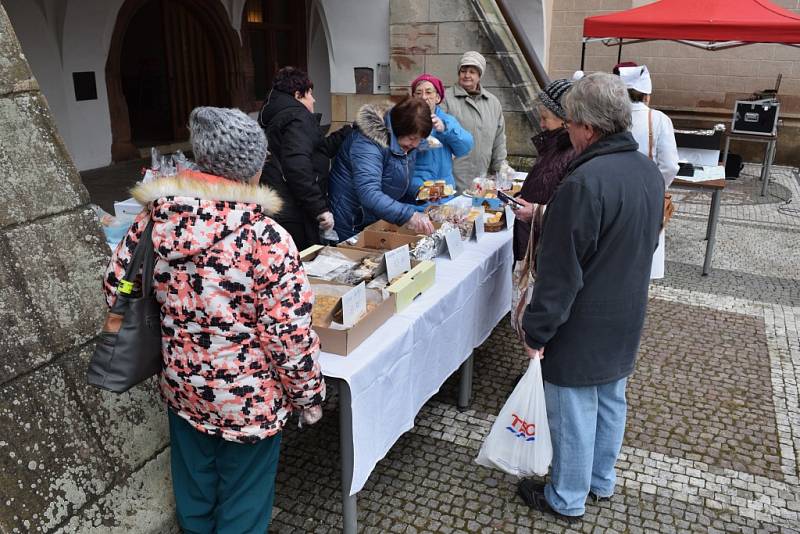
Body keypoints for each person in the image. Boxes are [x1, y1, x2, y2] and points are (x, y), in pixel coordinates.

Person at [102, 107, 325, 533]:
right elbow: (288, 336)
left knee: (195, 493)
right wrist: (308, 397)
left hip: (182, 387)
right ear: (253, 167)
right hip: (249, 403)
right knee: (244, 501)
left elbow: (116, 290)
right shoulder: (265, 238)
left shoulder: (152, 221)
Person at [516, 73, 664, 522]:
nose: (568, 131)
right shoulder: (646, 170)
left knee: (574, 411)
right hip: (627, 311)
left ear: (589, 127)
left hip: (583, 322)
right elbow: (647, 244)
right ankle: (600, 480)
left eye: (571, 124)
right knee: (610, 400)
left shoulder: (583, 183)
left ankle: (568, 497)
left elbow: (561, 274)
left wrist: (535, 330)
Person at [259, 66, 352, 250]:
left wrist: (347, 132)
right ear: (297, 95)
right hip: (292, 210)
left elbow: (317, 149)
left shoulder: (281, 116)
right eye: (310, 94)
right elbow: (297, 165)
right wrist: (320, 209)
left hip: (280, 203)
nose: (314, 99)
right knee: (301, 263)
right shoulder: (297, 117)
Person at [328, 96, 436, 240]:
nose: (415, 144)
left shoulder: (405, 144)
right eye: (412, 138)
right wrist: (409, 215)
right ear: (399, 129)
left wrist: (421, 193)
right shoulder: (367, 143)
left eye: (420, 139)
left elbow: (393, 181)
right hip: (351, 220)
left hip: (372, 217)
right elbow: (369, 192)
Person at [618, 63, 679, 280]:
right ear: (647, 95)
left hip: (613, 193)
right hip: (647, 198)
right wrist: (657, 185)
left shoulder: (610, 117)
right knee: (643, 263)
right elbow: (671, 165)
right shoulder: (660, 119)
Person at [512, 78, 576, 262]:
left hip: (545, 245)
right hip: (534, 239)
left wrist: (536, 211)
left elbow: (567, 208)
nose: (541, 124)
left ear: (564, 119)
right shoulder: (554, 145)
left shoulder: (570, 152)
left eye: (545, 118)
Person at [440, 51, 507, 192]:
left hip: (483, 179)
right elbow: (437, 135)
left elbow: (499, 139)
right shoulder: (445, 99)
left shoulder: (493, 103)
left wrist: (500, 168)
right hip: (452, 177)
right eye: (463, 71)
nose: (467, 75)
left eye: (472, 72)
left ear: (479, 76)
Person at [405, 73, 473, 206]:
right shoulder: (405, 120)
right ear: (413, 97)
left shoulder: (447, 120)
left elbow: (466, 146)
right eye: (418, 93)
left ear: (437, 97)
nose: (423, 97)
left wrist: (445, 129)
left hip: (444, 193)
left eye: (429, 92)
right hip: (416, 192)